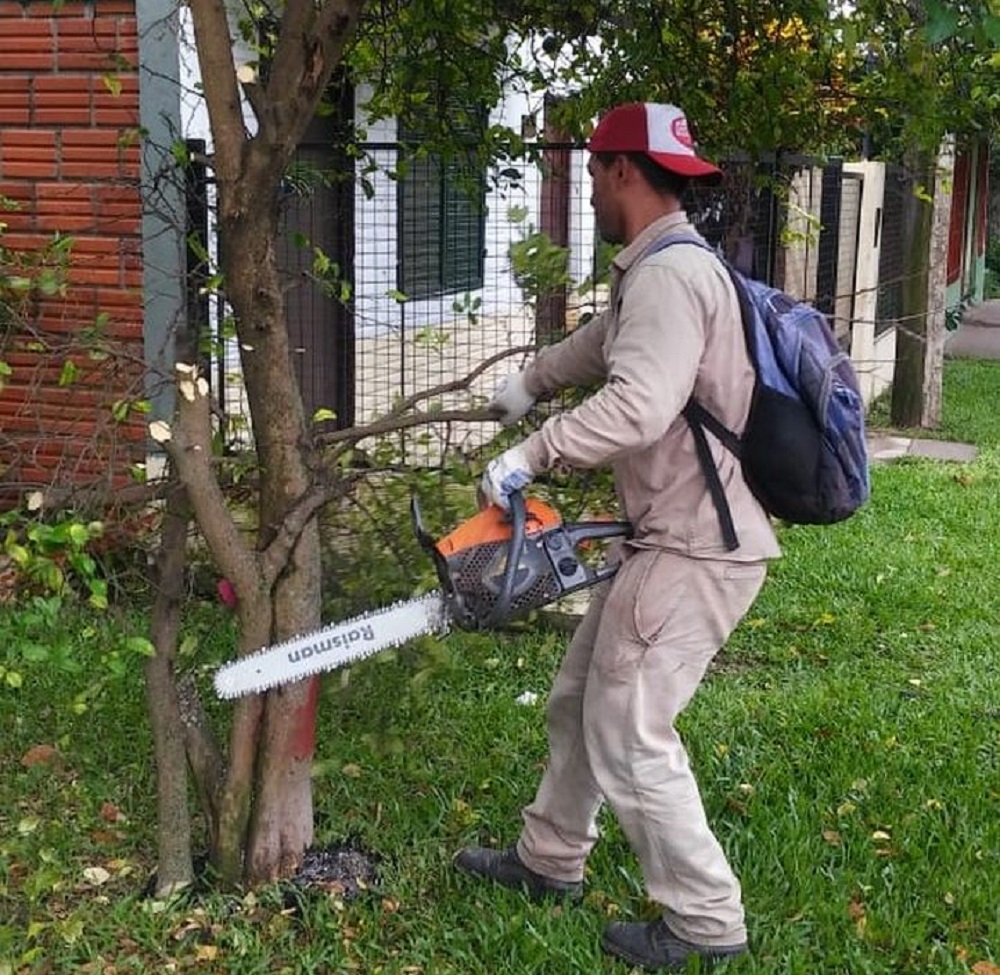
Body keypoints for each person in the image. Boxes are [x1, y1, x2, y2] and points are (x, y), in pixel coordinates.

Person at [454, 102, 782, 972]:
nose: (591, 188)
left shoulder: (670, 277)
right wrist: (532, 381)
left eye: (595, 172)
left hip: (695, 547)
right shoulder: (665, 267)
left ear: (621, 170)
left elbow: (640, 405)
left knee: (629, 728)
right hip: (666, 537)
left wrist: (533, 452)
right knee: (578, 701)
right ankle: (549, 858)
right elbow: (604, 345)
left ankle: (706, 920)